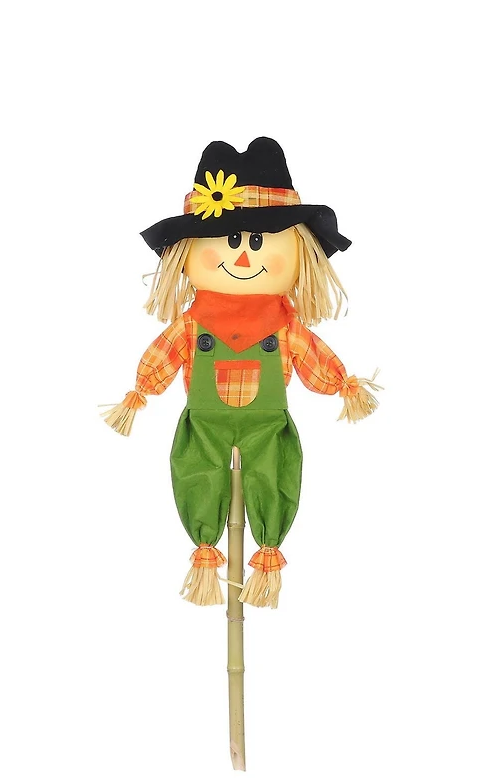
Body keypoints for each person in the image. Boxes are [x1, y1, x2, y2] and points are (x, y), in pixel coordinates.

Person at [104, 137, 380, 608]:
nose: (245, 257)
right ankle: (205, 552)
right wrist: (140, 392)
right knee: (198, 476)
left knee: (274, 477)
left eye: (258, 242)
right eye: (231, 241)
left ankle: (268, 550)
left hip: (268, 428)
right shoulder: (193, 326)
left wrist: (342, 385)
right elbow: (162, 357)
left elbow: (313, 357)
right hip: (204, 426)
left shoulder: (285, 327)